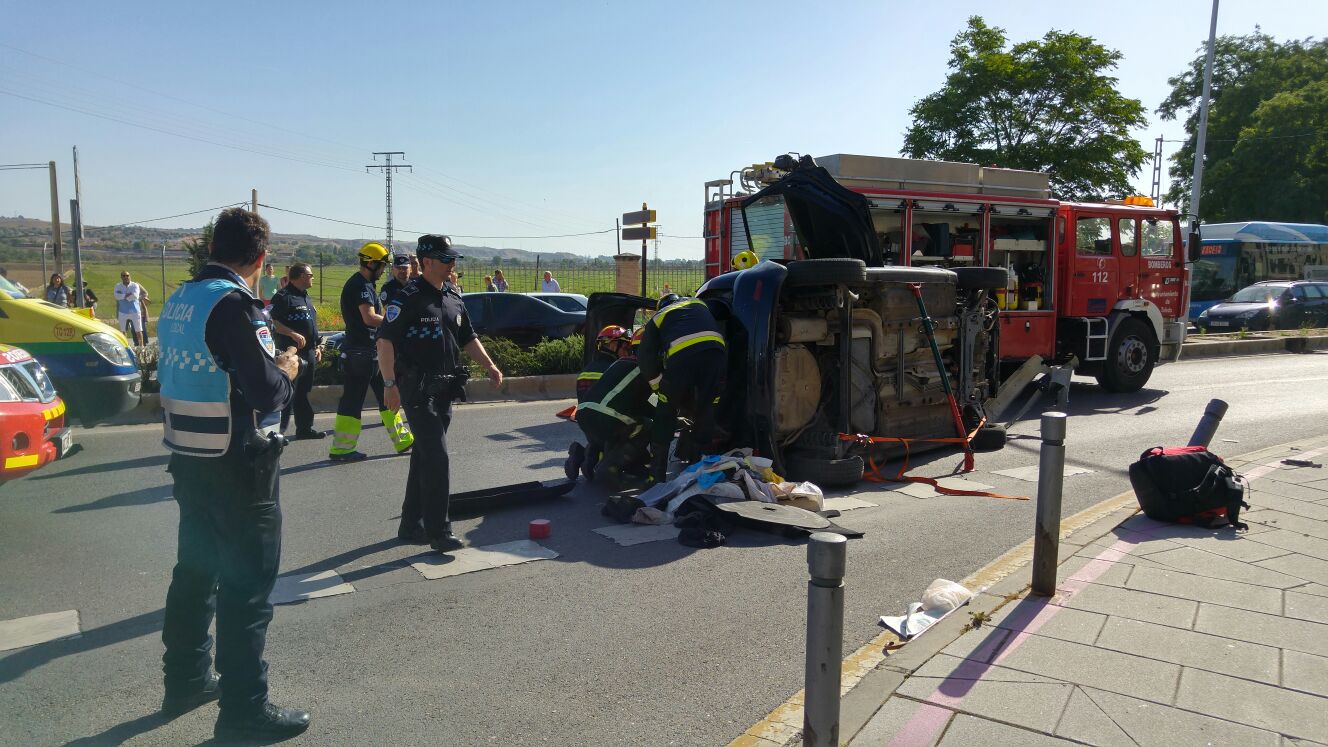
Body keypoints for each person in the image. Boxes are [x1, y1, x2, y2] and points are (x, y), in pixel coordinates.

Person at [156, 207, 310, 740]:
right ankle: (244, 711)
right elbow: (267, 389)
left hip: (188, 458)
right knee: (246, 589)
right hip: (240, 463)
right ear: (261, 260)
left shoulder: (181, 299)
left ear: (210, 248)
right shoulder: (234, 304)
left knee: (194, 573)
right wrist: (289, 367)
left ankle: (187, 680)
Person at [378, 234, 502, 552]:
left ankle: (410, 523)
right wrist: (389, 384)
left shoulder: (452, 297)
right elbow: (385, 341)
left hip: (445, 387)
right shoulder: (406, 298)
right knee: (437, 457)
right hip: (416, 388)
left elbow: (468, 337)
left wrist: (489, 366)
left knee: (424, 454)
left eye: (453, 260)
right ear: (427, 262)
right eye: (446, 259)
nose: (451, 264)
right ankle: (439, 530)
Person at [329, 242, 413, 461]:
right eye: (383, 265)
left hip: (366, 352)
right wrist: (396, 323)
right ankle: (342, 449)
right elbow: (369, 317)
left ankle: (403, 440)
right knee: (353, 401)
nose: (384, 270)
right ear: (372, 263)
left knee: (388, 396)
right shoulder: (361, 286)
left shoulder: (363, 284)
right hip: (360, 353)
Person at [637, 293, 727, 482]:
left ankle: (658, 472)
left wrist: (658, 387)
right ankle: (699, 467)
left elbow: (645, 357)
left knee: (665, 409)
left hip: (682, 357)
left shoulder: (659, 316)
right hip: (716, 354)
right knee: (706, 407)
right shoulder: (700, 304)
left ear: (662, 305)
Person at [571, 354, 655, 487]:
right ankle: (609, 468)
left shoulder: (619, 362)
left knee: (618, 434)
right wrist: (662, 417)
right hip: (607, 415)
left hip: (583, 413)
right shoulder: (648, 366)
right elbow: (640, 403)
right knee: (648, 427)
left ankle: (589, 456)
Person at [269, 264, 322, 439]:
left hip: (308, 353)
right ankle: (279, 433)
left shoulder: (305, 297)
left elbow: (310, 326)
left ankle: (304, 429)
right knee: (287, 394)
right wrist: (292, 334)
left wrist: (316, 346)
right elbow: (274, 322)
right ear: (300, 276)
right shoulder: (283, 297)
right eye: (310, 274)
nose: (313, 277)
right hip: (290, 355)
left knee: (303, 393)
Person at [114, 271, 150, 346]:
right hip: (122, 311)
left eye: (127, 275)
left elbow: (135, 296)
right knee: (123, 331)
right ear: (121, 277)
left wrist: (123, 297)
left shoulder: (135, 285)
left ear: (129, 276)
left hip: (135, 311)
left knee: (138, 330)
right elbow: (116, 296)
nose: (125, 277)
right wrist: (126, 295)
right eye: (123, 276)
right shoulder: (118, 286)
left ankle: (141, 346)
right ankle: (126, 346)